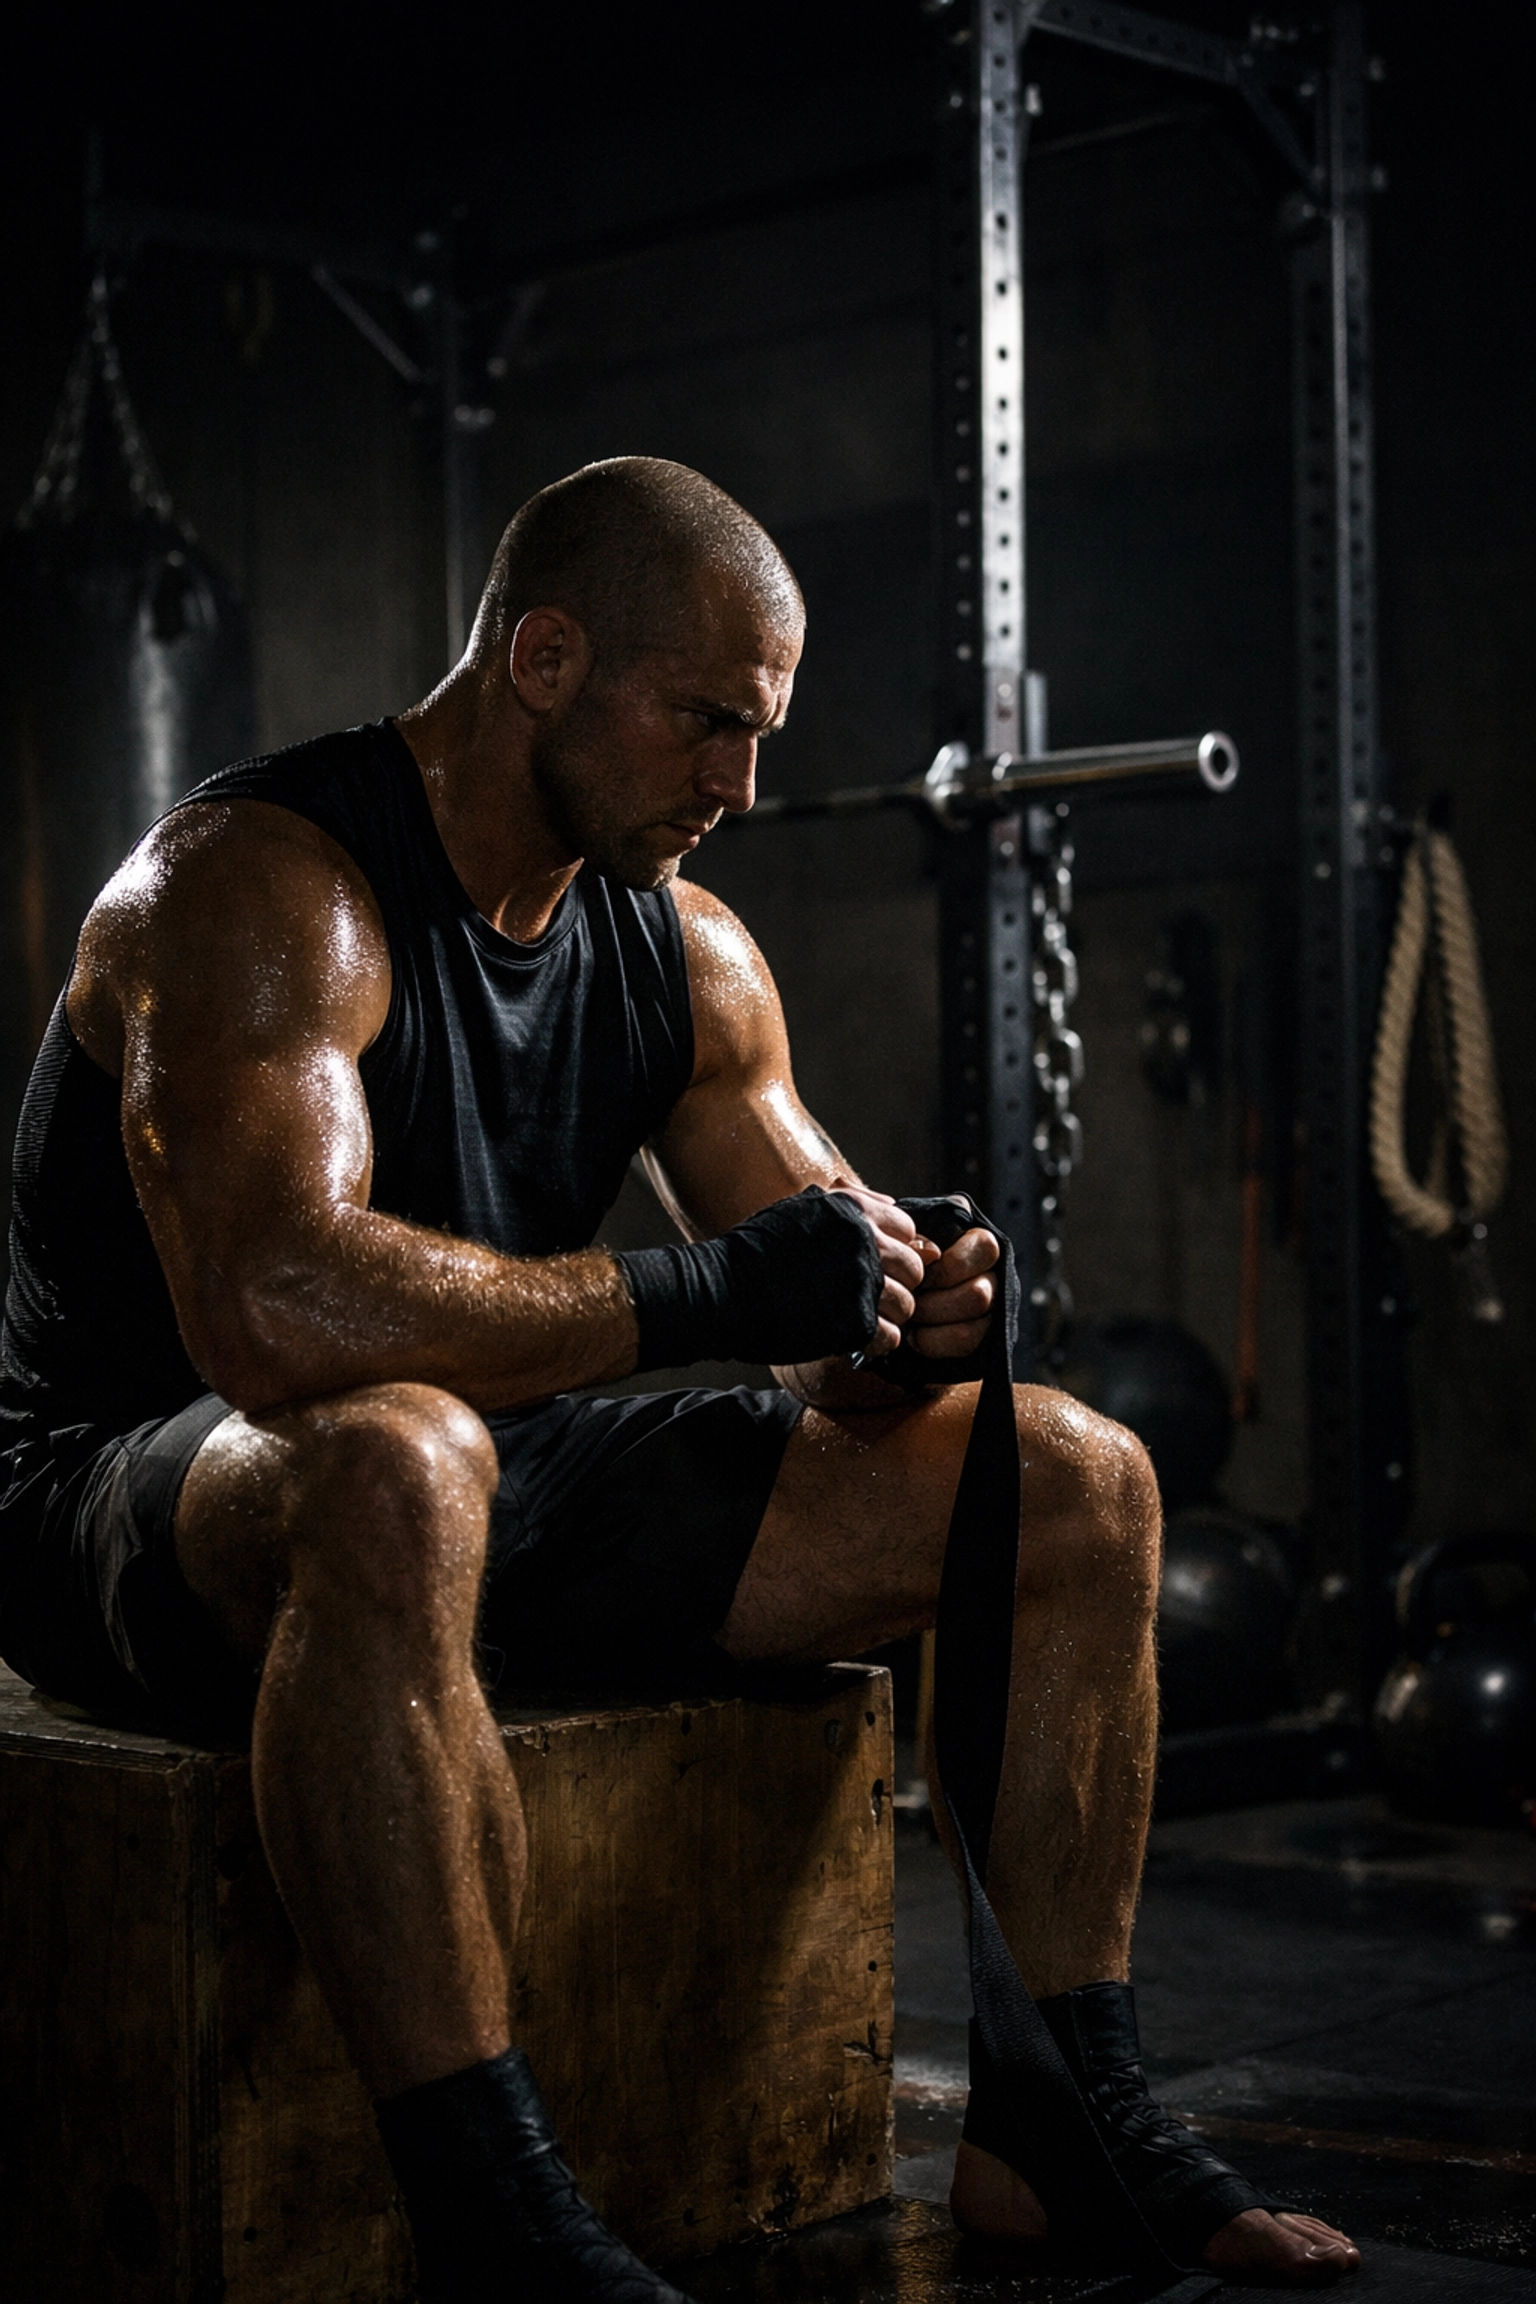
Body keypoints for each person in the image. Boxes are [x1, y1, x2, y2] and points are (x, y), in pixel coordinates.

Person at [0, 458, 1359, 2298]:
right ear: (544, 659)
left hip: (488, 1470)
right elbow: (274, 1312)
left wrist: (910, 1312)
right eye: (708, 720)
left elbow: (813, 1306)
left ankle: (1061, 2124)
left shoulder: (685, 954)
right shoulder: (263, 888)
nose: (742, 782)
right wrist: (705, 1291)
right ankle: (504, 2230)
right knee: (396, 1458)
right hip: (134, 1500)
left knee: (1074, 1475)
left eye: (761, 731)